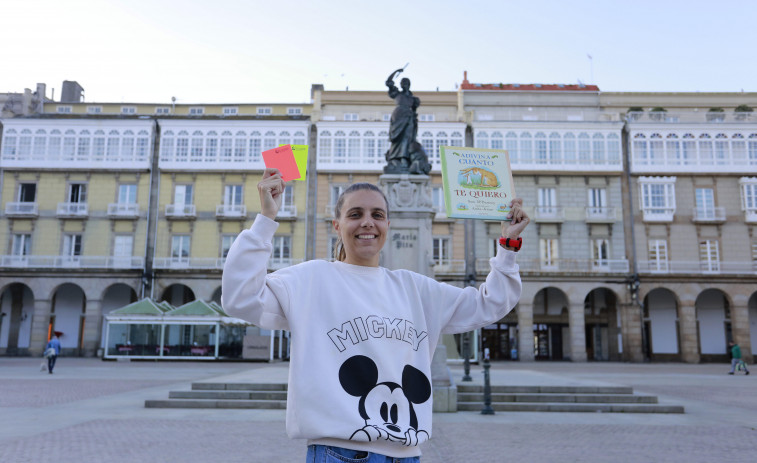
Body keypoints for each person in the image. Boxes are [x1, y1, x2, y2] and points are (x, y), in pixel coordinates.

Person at [222, 168, 529, 462]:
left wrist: (509, 246)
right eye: (355, 214)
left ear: (388, 226)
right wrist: (265, 220)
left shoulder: (414, 288)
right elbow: (240, 298)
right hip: (339, 452)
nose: (367, 222)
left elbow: (489, 304)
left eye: (377, 215)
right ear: (337, 225)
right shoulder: (311, 280)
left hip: (408, 453)